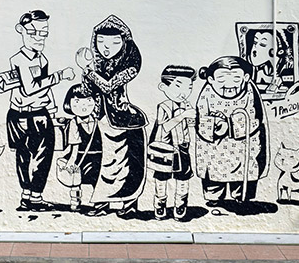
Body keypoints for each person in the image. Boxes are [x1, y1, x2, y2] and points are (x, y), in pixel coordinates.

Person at [76, 14, 147, 218]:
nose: (107, 47)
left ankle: (129, 203)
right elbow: (87, 91)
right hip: (101, 120)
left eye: (115, 42)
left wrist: (89, 72)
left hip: (125, 121)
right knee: (104, 164)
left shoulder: (130, 65)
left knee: (130, 165)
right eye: (100, 42)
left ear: (124, 43)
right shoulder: (95, 66)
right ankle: (103, 202)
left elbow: (108, 86)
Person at [6, 10, 75, 211]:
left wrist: (52, 110)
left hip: (39, 112)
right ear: (21, 30)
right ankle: (30, 196)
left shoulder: (42, 59)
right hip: (22, 115)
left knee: (42, 155)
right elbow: (30, 88)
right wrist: (60, 76)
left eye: (43, 33)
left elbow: (44, 88)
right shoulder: (19, 59)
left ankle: (31, 195)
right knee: (25, 157)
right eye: (32, 32)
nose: (38, 37)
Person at [194, 56, 270, 203]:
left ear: (246, 77)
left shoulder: (250, 91)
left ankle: (242, 197)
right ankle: (214, 197)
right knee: (213, 174)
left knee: (243, 174)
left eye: (235, 78)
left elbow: (255, 117)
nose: (229, 84)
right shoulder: (207, 94)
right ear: (211, 80)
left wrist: (229, 126)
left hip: (243, 146)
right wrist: (214, 125)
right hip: (214, 148)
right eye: (222, 79)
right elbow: (201, 119)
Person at [149, 65, 196, 220]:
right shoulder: (164, 106)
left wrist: (192, 118)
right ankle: (160, 203)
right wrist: (182, 116)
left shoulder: (186, 104)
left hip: (182, 146)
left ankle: (180, 204)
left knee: (183, 177)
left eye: (189, 87)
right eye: (178, 86)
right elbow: (165, 127)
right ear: (164, 87)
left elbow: (191, 125)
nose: (184, 92)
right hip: (165, 149)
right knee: (161, 177)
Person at [58, 84, 102, 211]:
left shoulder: (98, 120)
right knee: (75, 179)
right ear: (69, 104)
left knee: (97, 179)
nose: (83, 106)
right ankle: (75, 200)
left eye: (89, 101)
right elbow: (75, 143)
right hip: (79, 154)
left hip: (97, 154)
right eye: (77, 102)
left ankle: (98, 202)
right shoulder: (74, 122)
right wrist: (72, 159)